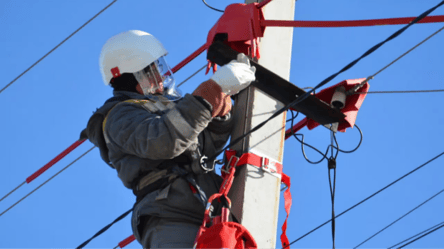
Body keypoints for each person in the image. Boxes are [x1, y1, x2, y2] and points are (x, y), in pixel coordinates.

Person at [81, 30, 256, 248]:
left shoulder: (161, 106)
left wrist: (220, 115)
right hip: (170, 215)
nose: (161, 75)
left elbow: (201, 147)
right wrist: (210, 93)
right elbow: (164, 140)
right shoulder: (119, 116)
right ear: (137, 75)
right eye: (153, 69)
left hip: (207, 210)